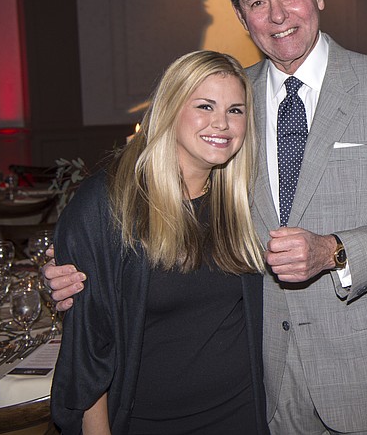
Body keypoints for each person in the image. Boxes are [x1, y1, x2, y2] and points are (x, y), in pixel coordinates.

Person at [47, 0, 367, 435]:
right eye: (258, 2)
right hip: (261, 381)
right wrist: (84, 270)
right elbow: (167, 211)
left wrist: (335, 251)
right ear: (241, 16)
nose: (277, 15)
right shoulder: (233, 98)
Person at [50, 50, 269, 434]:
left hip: (243, 415)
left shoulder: (246, 202)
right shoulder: (110, 202)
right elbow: (88, 349)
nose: (222, 123)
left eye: (235, 110)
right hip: (147, 422)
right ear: (170, 108)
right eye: (205, 106)